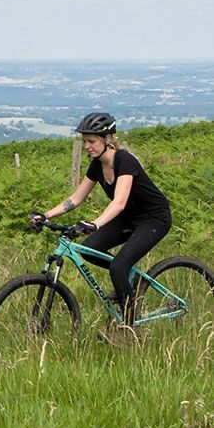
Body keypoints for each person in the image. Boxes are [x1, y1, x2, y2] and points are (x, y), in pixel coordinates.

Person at [30, 111, 172, 328]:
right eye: (84, 141)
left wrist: (95, 223)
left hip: (154, 219)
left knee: (118, 267)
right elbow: (76, 199)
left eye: (91, 141)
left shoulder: (125, 161)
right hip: (128, 218)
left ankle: (128, 328)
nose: (87, 146)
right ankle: (128, 282)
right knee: (90, 249)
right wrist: (46, 215)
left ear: (107, 139)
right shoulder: (97, 165)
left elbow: (119, 202)